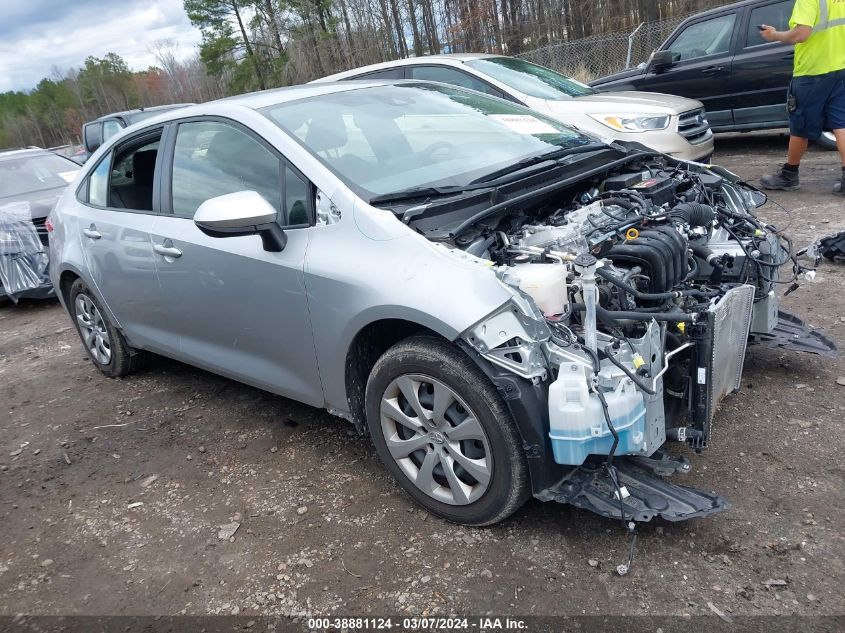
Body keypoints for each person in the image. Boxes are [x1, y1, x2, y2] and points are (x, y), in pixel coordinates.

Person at [759, 0, 845, 195]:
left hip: (812, 72)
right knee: (841, 124)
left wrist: (774, 35)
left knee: (801, 125)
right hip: (841, 68)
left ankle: (789, 175)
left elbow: (801, 34)